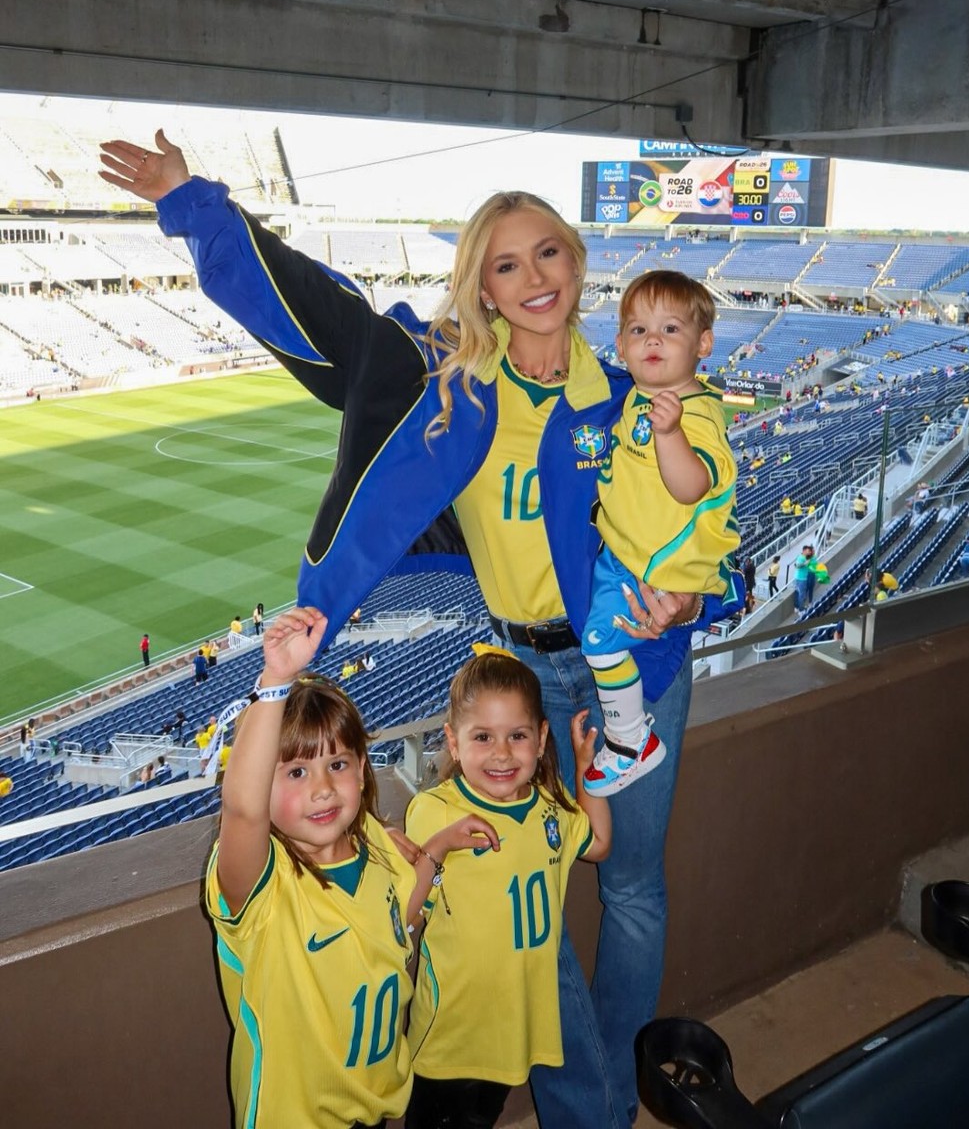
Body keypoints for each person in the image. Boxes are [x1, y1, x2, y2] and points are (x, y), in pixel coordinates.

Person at [99, 135, 743, 1129]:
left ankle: (608, 1095)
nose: (534, 278)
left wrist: (696, 598)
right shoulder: (446, 383)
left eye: (550, 254)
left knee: (633, 890)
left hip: (641, 665)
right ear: (481, 287)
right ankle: (596, 1105)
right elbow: (322, 317)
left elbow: (715, 520)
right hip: (524, 675)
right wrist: (194, 204)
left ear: (578, 265)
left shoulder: (629, 398)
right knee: (535, 896)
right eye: (506, 263)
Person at [204, 606, 497, 1129]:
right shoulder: (263, 890)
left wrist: (434, 852)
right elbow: (243, 811)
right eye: (295, 771)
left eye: (337, 764)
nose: (321, 788)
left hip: (375, 1105)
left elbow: (396, 925)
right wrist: (274, 681)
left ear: (362, 771)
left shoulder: (378, 849)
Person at [404, 649, 611, 1129]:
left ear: (541, 739)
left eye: (517, 736)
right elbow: (404, 916)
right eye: (483, 737)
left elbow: (597, 843)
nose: (501, 753)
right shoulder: (435, 811)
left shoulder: (550, 809)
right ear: (453, 743)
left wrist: (586, 771)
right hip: (452, 1039)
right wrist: (436, 849)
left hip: (513, 1032)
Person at [580, 272, 739, 795]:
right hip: (631, 555)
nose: (652, 340)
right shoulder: (644, 394)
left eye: (670, 328)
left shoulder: (693, 413)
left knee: (601, 647)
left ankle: (630, 740)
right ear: (621, 344)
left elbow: (693, 484)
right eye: (637, 329)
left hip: (651, 571)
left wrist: (669, 436)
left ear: (703, 344)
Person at [793, 545, 818, 611]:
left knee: (802, 592)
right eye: (809, 551)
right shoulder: (802, 558)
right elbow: (797, 565)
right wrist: (805, 564)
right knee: (801, 594)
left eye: (810, 551)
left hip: (805, 576)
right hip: (802, 578)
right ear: (804, 551)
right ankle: (800, 609)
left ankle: (800, 607)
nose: (810, 552)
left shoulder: (809, 558)